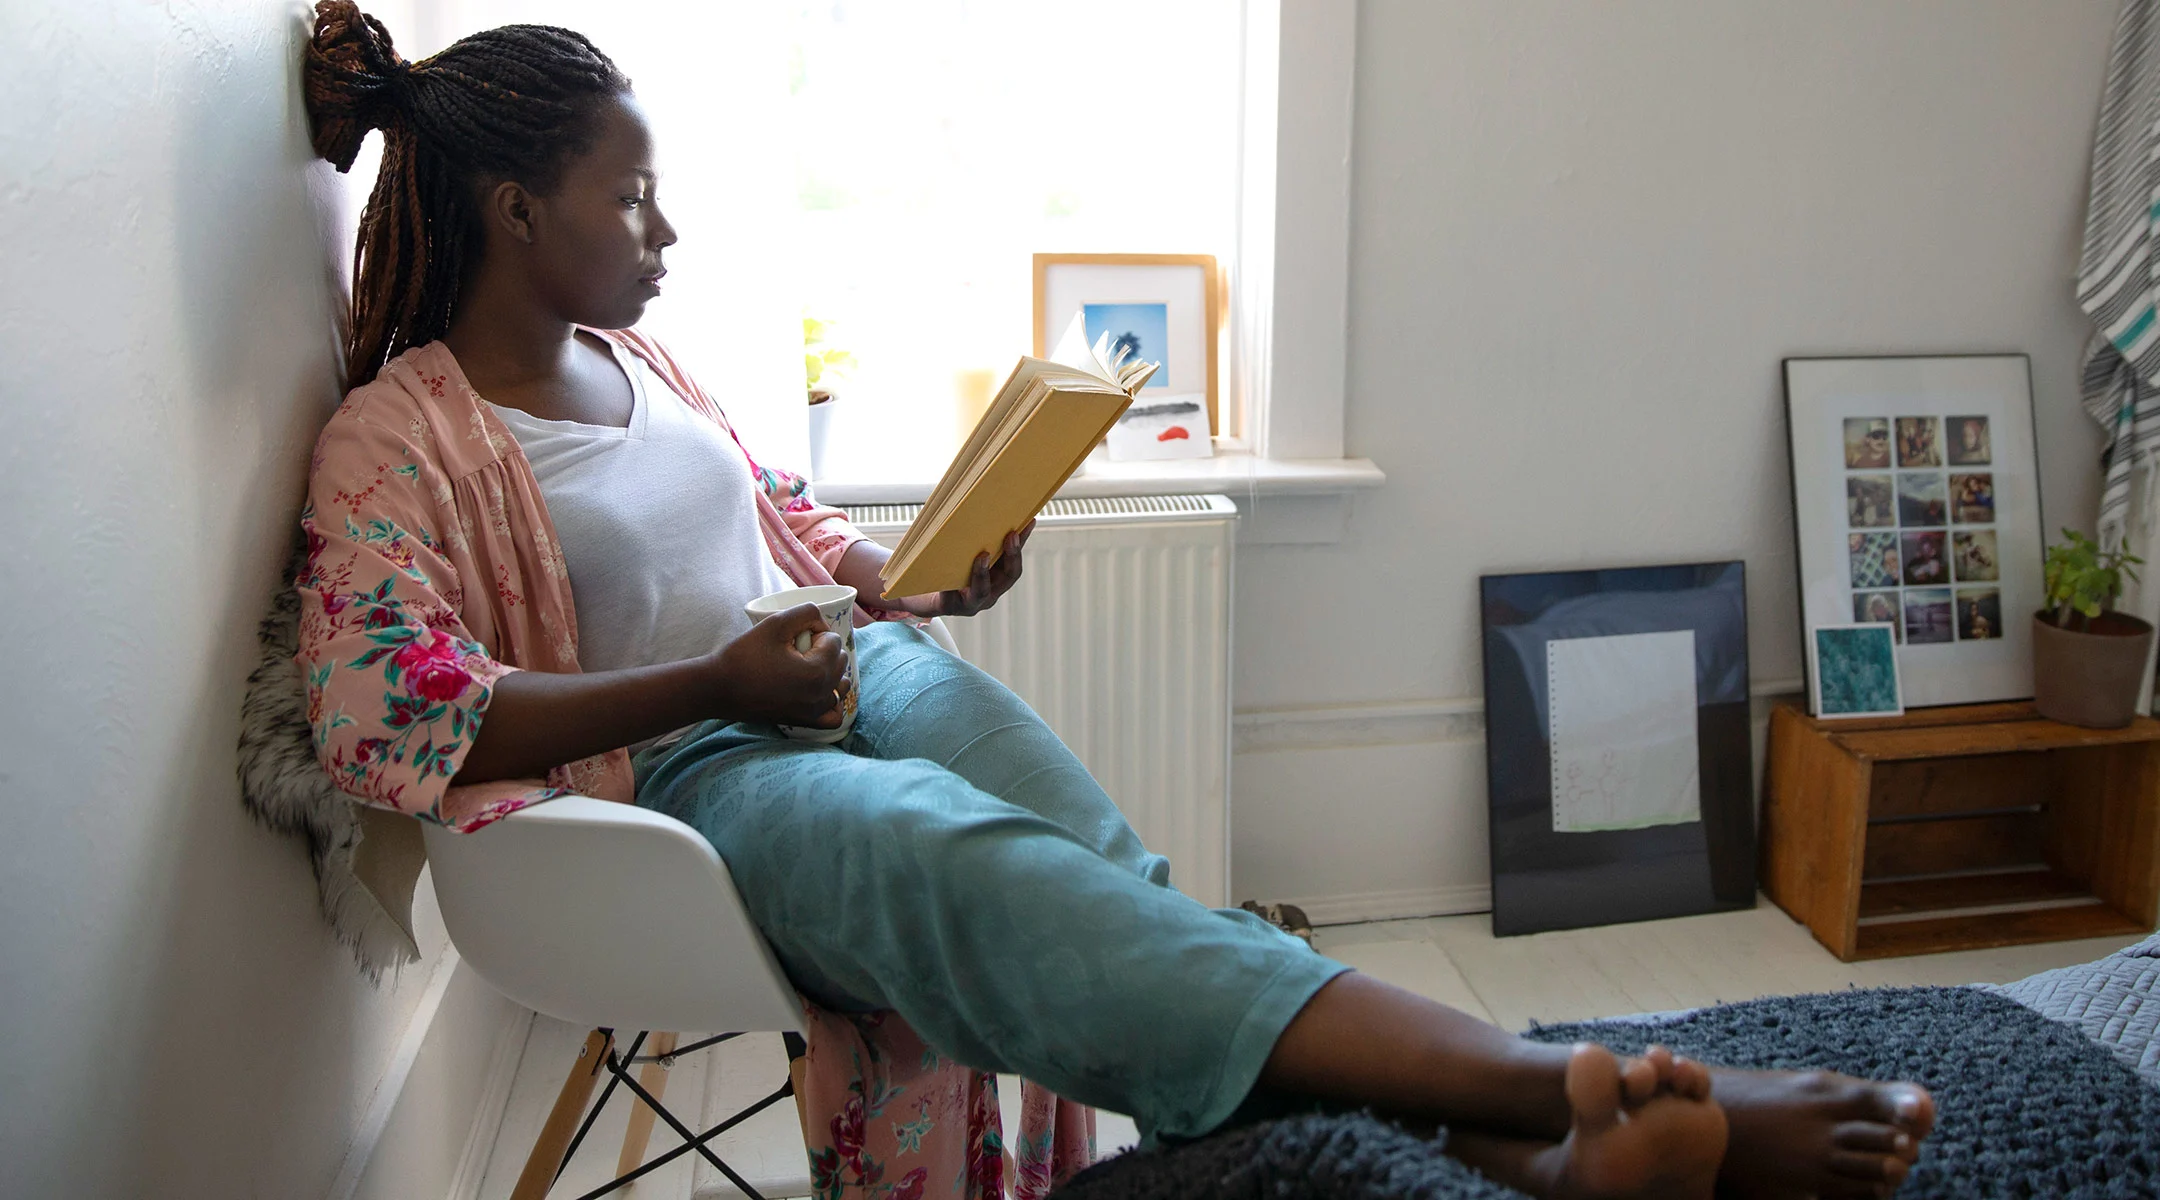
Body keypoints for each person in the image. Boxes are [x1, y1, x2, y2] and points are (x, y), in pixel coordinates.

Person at [294, 6, 1935, 1196]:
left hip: (841, 676)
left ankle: (1518, 1157)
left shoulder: (636, 357)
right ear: (517, 213)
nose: (667, 229)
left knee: (1100, 875)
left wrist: (902, 576)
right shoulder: (400, 434)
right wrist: (718, 685)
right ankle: (1544, 1089)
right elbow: (396, 715)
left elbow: (772, 512)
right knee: (974, 875)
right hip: (692, 775)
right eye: (630, 196)